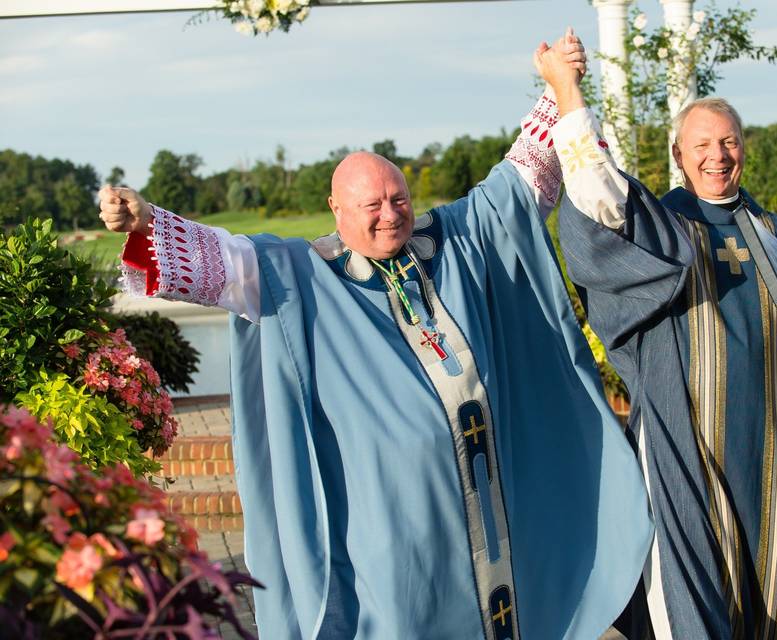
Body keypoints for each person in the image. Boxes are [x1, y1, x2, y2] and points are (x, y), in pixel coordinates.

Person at [98, 32, 653, 640]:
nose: (390, 213)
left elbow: (521, 181)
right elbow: (222, 262)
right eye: (372, 205)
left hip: (491, 510)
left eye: (398, 198)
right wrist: (147, 220)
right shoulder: (299, 276)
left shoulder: (455, 243)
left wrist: (559, 85)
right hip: (395, 542)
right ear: (335, 208)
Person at [555, 97, 777, 639]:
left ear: (744, 148)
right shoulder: (657, 232)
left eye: (728, 142)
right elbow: (595, 200)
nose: (717, 156)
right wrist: (567, 95)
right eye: (701, 145)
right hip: (685, 451)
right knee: (695, 604)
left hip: (772, 453)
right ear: (679, 154)